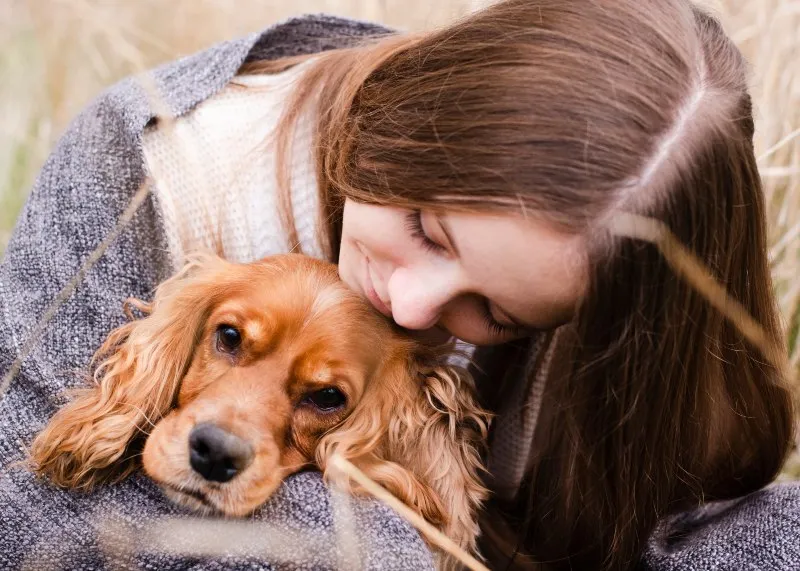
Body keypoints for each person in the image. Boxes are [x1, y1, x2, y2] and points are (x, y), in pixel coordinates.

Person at [0, 1, 797, 570]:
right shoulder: (149, 161)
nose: (412, 310)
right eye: (425, 228)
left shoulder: (609, 347)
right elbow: (22, 496)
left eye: (494, 310)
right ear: (403, 129)